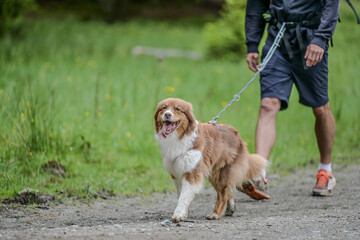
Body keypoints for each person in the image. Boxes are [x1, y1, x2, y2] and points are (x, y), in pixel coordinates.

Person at [239, 0, 339, 199]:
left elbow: (331, 3)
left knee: (320, 108)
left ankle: (325, 171)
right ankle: (259, 174)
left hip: (311, 38)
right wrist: (252, 43)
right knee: (268, 104)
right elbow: (257, 4)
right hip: (278, 39)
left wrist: (321, 38)